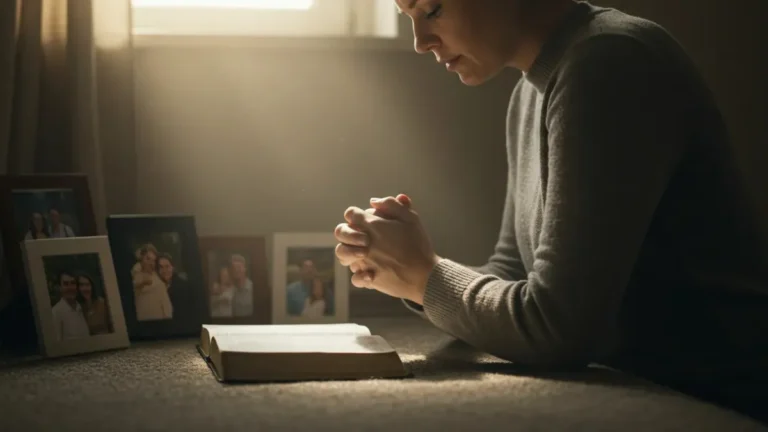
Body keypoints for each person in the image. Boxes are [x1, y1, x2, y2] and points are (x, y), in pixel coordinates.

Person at [333, 0, 768, 423]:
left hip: (713, 398)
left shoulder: (610, 61)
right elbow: (512, 271)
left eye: (432, 10)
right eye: (408, 17)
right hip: (637, 388)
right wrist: (409, 277)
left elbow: (558, 329)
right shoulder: (531, 89)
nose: (420, 41)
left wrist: (425, 276)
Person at [131, 244, 173, 321]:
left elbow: (166, 306)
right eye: (148, 259)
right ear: (141, 259)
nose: (151, 263)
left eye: (153, 260)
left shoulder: (157, 279)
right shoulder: (135, 275)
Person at [51, 270, 90, 341]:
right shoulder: (56, 312)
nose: (70, 287)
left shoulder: (81, 308)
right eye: (66, 284)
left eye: (73, 283)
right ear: (60, 287)